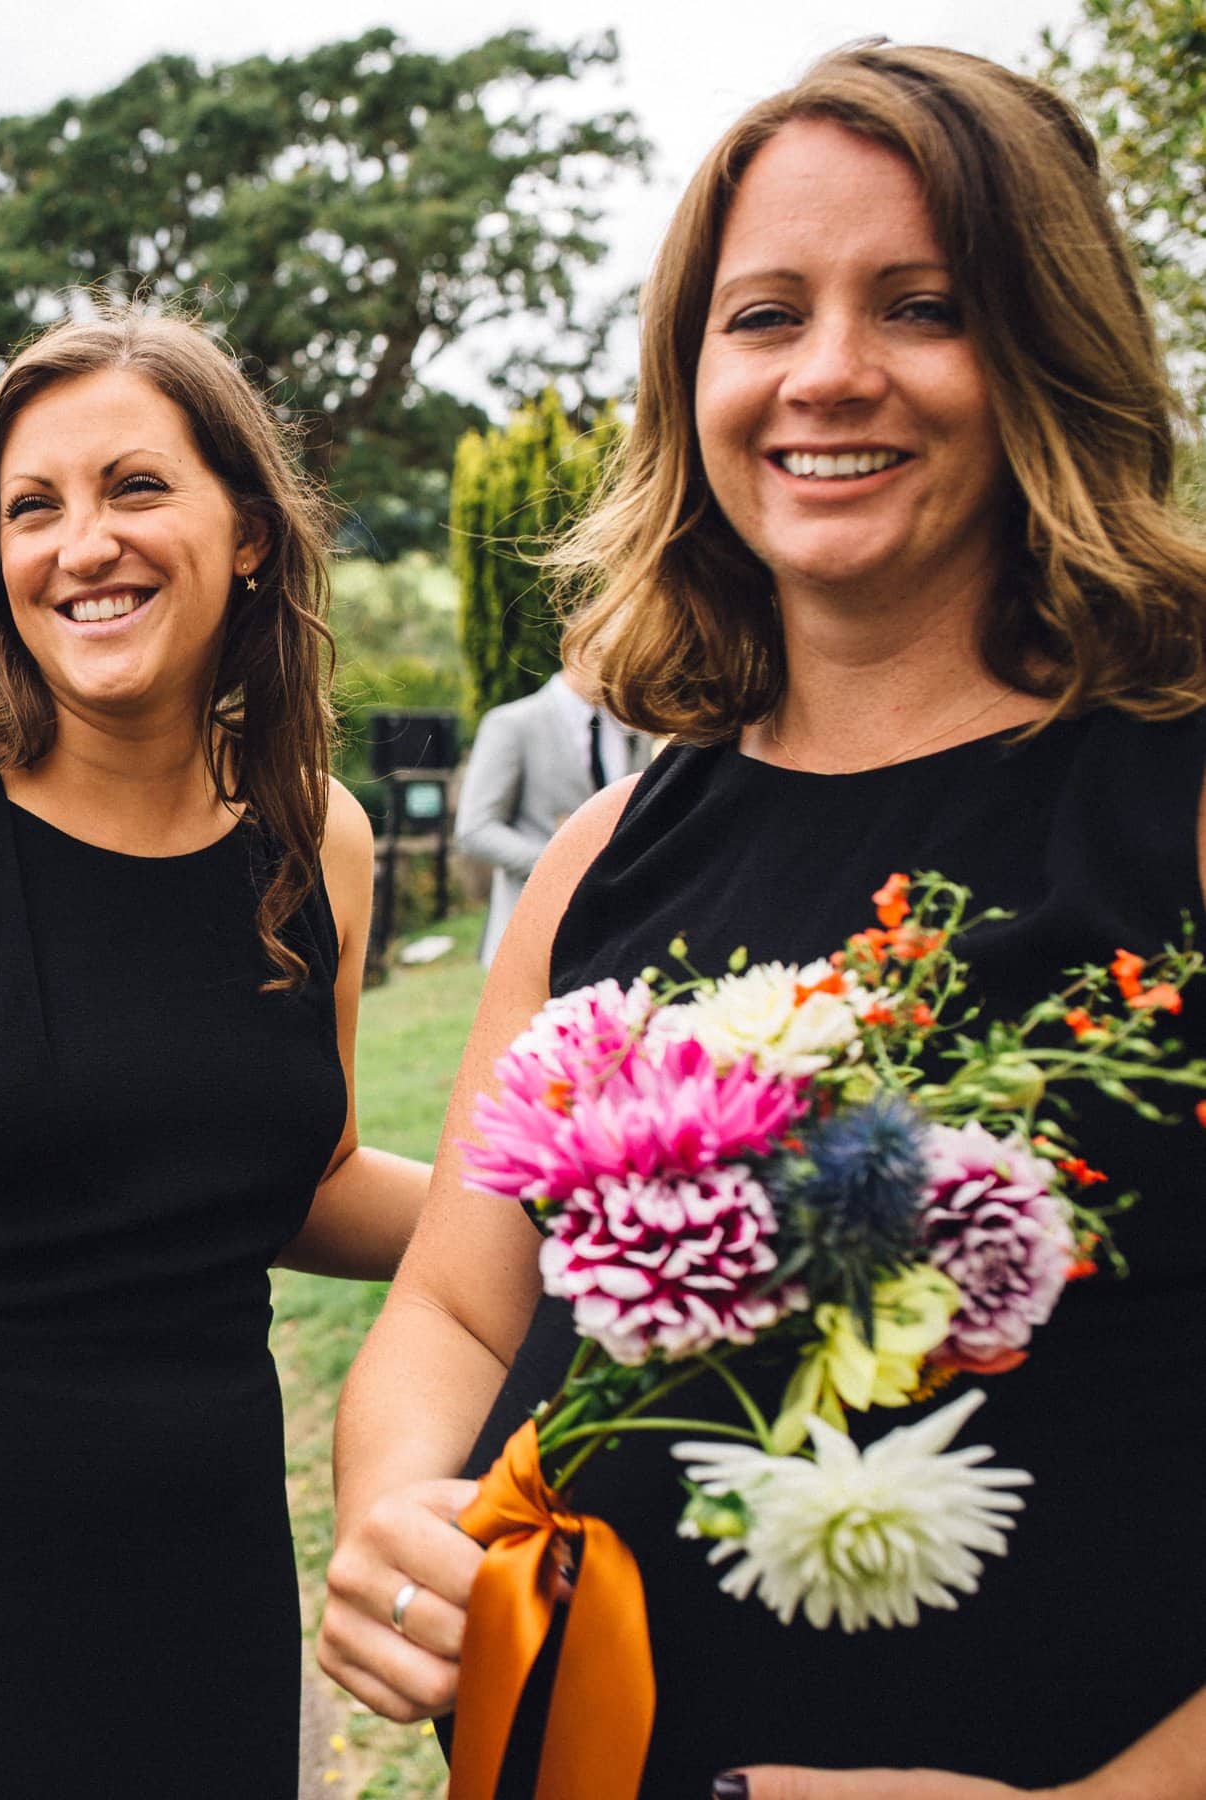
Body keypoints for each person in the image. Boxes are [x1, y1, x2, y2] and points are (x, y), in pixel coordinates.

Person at [319, 44, 1206, 1799]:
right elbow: (458, 1318)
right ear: (689, 374)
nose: (830, 374)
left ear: (1049, 348)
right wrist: (394, 1512)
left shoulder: (1175, 808)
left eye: (923, 304)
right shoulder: (598, 857)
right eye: (764, 315)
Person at [0, 311, 430, 1800]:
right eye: (31, 509)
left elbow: (303, 1181)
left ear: (245, 530)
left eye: (135, 488)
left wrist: (574, 1206)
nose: (80, 544)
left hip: (213, 1571)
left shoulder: (325, 843)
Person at [454, 668, 645, 964]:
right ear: (577, 646)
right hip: (533, 935)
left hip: (615, 938)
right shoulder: (512, 723)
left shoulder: (634, 729)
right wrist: (562, 862)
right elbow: (475, 829)